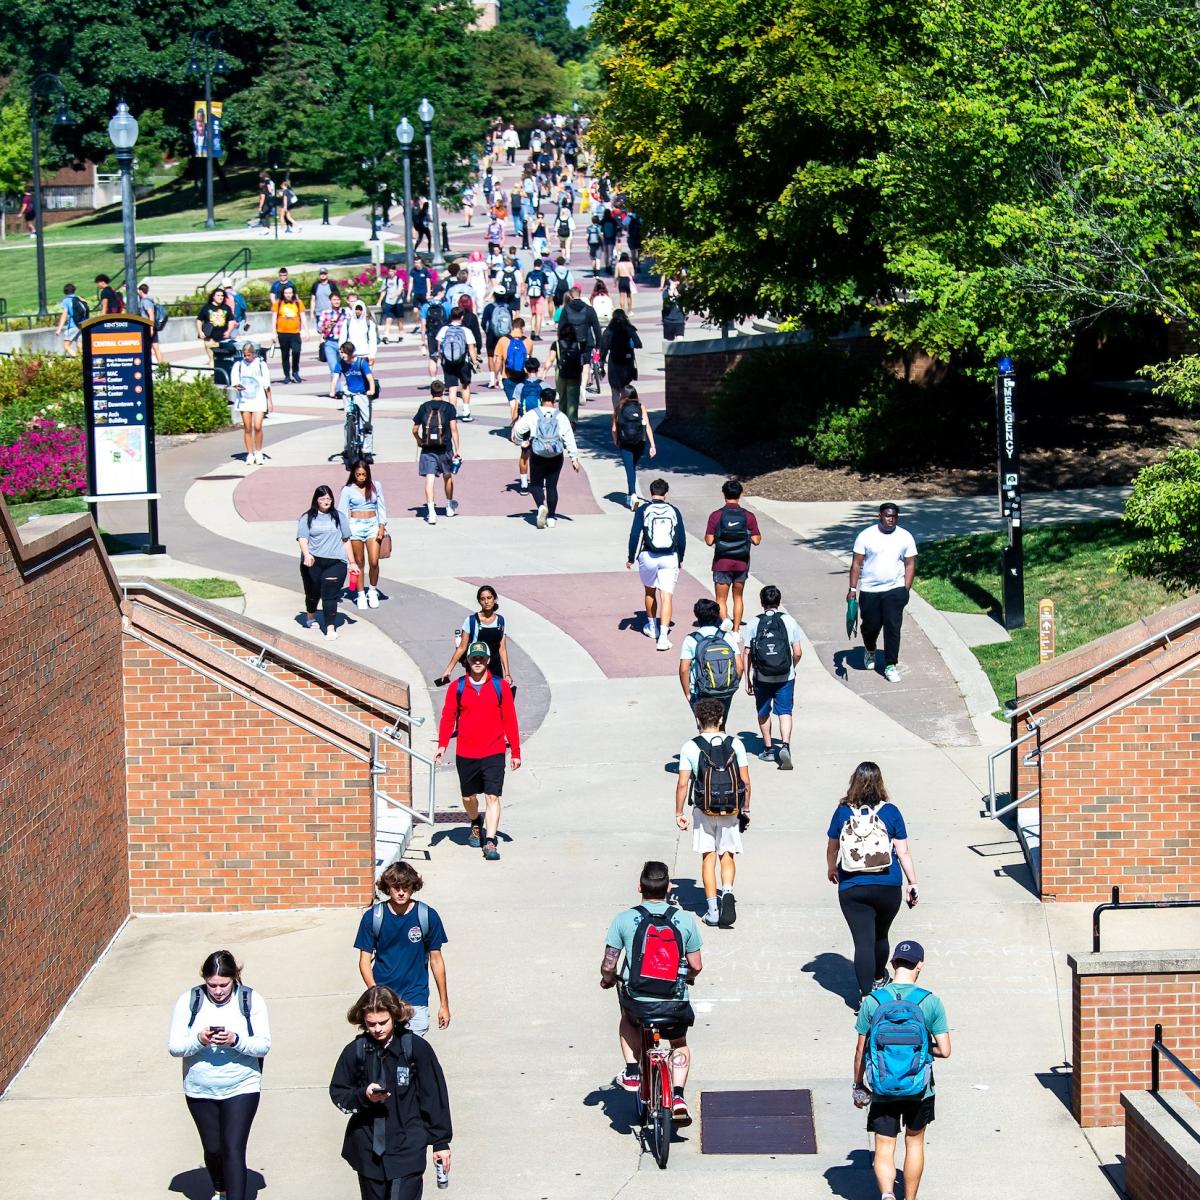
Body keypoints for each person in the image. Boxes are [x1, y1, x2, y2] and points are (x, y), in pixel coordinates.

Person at [599, 860, 703, 1125]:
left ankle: (633, 1071)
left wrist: (607, 980)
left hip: (640, 1001)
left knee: (626, 1016)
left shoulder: (623, 919)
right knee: (678, 1043)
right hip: (674, 1001)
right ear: (668, 889)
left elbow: (609, 964)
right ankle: (678, 1096)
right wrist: (687, 978)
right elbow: (696, 966)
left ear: (639, 888)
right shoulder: (683, 919)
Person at [329, 985, 452, 1200]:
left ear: (395, 1016)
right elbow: (339, 1092)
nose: (377, 1029)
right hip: (369, 1153)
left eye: (383, 1022)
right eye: (371, 1024)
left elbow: (434, 1096)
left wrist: (440, 1143)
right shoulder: (355, 1051)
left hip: (407, 1147)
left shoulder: (416, 1049)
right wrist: (363, 1096)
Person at [168, 950, 271, 1200]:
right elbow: (175, 1047)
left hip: (242, 1085)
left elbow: (263, 1044)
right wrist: (199, 1040)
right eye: (211, 984)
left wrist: (236, 1040)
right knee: (213, 1150)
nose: (218, 991)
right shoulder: (189, 1001)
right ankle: (221, 1189)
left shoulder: (250, 1000)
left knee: (233, 1149)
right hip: (200, 1088)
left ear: (235, 977)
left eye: (224, 984)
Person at [852, 941, 951, 1200]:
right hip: (920, 1086)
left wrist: (858, 1085)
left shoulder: (873, 1002)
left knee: (884, 1146)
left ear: (893, 964)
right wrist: (922, 1049)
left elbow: (861, 1050)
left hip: (883, 1086)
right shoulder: (930, 1002)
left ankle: (887, 1194)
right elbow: (945, 1050)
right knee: (914, 1142)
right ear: (920, 965)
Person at [826, 762, 919, 1001]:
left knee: (862, 941)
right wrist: (912, 882)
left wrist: (830, 868)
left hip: (852, 885)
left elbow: (832, 847)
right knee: (880, 935)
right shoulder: (891, 812)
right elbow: (903, 852)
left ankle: (866, 996)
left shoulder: (842, 812)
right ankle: (879, 977)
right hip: (887, 885)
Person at [434, 641, 521, 861]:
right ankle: (475, 821)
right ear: (468, 661)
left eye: (482, 658)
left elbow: (510, 720)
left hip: (494, 751)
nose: (478, 661)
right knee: (468, 796)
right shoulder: (458, 687)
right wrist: (442, 745)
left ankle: (490, 841)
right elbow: (447, 718)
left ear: (488, 660)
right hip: (466, 752)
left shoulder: (500, 686)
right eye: (474, 658)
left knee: (493, 796)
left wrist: (516, 752)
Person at [675, 697, 751, 927]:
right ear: (721, 720)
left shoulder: (690, 746)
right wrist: (744, 808)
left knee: (708, 858)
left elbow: (682, 784)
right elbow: (746, 782)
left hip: (703, 808)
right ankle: (726, 892)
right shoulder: (735, 744)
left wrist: (679, 812)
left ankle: (713, 910)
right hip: (730, 808)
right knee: (727, 855)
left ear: (698, 720)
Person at [355, 862, 450, 1037]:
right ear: (387, 887)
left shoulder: (427, 916)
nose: (400, 892)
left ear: (414, 887)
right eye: (395, 887)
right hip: (383, 999)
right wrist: (375, 992)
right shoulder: (373, 918)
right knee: (383, 1052)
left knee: (410, 1051)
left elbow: (436, 960)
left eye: (406, 887)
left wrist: (444, 1004)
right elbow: (364, 961)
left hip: (416, 998)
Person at [848, 503, 918, 684]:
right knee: (869, 626)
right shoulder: (866, 536)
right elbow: (856, 563)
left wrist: (905, 589)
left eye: (894, 516)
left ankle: (890, 665)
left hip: (894, 590)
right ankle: (870, 649)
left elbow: (910, 564)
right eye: (887, 516)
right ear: (880, 516)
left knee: (892, 627)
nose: (891, 519)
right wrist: (852, 589)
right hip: (870, 589)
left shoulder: (905, 537)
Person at [741, 585, 804, 770]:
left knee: (763, 711)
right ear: (779, 601)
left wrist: (747, 679)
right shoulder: (789, 621)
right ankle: (785, 746)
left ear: (762, 602)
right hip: (785, 675)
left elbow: (747, 653)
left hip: (762, 676)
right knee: (784, 712)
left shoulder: (754, 622)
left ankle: (768, 749)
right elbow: (798, 652)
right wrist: (791, 666)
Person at [510, 387, 580, 529]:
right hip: (556, 454)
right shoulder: (561, 416)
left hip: (538, 453)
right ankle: (552, 517)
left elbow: (518, 430)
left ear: (541, 399)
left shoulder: (532, 414)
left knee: (536, 484)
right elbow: (569, 438)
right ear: (554, 400)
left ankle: (541, 506)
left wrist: (520, 442)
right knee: (552, 486)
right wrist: (574, 458)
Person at [626, 476, 682, 651]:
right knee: (667, 597)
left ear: (651, 493)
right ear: (666, 493)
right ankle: (664, 637)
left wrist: (630, 557)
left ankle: (652, 627)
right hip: (669, 556)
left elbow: (635, 535)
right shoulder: (674, 510)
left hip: (648, 556)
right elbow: (681, 537)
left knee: (650, 591)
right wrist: (680, 558)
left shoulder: (643, 509)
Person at [705, 479, 762, 631]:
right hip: (741, 562)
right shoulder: (748, 516)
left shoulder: (716, 516)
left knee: (721, 599)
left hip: (722, 562)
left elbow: (709, 541)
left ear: (723, 494)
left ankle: (725, 622)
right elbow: (756, 540)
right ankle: (736, 630)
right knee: (738, 597)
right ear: (740, 494)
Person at [297, 485, 350, 640]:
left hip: (335, 561)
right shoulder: (307, 517)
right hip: (313, 561)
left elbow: (346, 540)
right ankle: (311, 614)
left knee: (329, 595)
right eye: (322, 499)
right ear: (316, 500)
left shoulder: (339, 517)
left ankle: (330, 628)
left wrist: (352, 562)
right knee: (313, 593)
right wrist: (307, 555)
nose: (326, 501)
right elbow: (302, 538)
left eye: (329, 498)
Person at [678, 597, 742, 726]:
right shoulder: (726, 637)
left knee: (704, 727)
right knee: (721, 725)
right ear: (717, 616)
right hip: (725, 689)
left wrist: (688, 693)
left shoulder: (691, 639)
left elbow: (684, 669)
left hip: (701, 690)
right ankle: (722, 744)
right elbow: (739, 667)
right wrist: (730, 684)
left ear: (697, 616)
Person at [436, 584, 513, 688]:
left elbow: (502, 649)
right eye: (482, 599)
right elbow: (462, 647)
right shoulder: (471, 621)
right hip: (476, 667)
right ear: (479, 601)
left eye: (489, 598)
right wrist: (448, 669)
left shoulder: (501, 621)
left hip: (495, 668)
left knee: (495, 700)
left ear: (495, 599)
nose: (486, 602)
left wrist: (507, 673)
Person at [337, 459, 388, 609]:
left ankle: (372, 590)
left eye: (364, 475)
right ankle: (360, 594)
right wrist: (343, 531)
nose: (361, 478)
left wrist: (382, 525)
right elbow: (342, 511)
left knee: (374, 561)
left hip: (372, 524)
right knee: (359, 562)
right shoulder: (347, 490)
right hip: (355, 527)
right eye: (358, 474)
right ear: (353, 474)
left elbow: (381, 506)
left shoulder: (375, 486)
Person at [412, 379, 460, 525]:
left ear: (431, 392)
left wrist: (419, 440)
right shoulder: (449, 408)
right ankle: (449, 505)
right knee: (448, 476)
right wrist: (457, 449)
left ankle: (431, 512)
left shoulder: (424, 407)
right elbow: (453, 429)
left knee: (430, 480)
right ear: (443, 391)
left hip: (428, 449)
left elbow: (414, 429)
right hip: (445, 448)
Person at [611, 385, 655, 508]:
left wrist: (616, 441)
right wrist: (653, 445)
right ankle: (630, 493)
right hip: (639, 442)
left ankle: (633, 495)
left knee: (629, 469)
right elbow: (647, 426)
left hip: (625, 443)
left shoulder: (618, 408)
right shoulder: (641, 407)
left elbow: (614, 429)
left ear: (623, 396)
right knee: (633, 467)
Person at [331, 341, 376, 459]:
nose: (341, 355)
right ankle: (347, 447)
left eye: (343, 352)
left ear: (350, 353)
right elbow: (335, 377)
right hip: (349, 393)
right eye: (341, 352)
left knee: (366, 422)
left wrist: (371, 390)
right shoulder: (340, 363)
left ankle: (367, 451)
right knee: (348, 420)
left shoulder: (361, 363)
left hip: (362, 393)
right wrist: (332, 391)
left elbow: (370, 378)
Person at [231, 342, 273, 465]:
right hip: (245, 399)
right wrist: (238, 387)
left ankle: (258, 451)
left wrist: (270, 402)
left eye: (248, 355)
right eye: (244, 355)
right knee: (248, 427)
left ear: (254, 354)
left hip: (258, 399)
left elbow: (267, 385)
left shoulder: (261, 364)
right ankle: (250, 453)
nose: (246, 358)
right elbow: (235, 382)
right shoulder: (238, 365)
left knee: (258, 426)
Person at [436, 307, 479, 423]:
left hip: (448, 362)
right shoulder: (466, 330)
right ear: (462, 317)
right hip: (463, 362)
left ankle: (452, 412)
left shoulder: (444, 329)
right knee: (465, 386)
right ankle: (466, 411)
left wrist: (442, 359)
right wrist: (474, 362)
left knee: (452, 389)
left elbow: (439, 347)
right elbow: (471, 348)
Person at [511, 359, 543, 493]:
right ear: (538, 369)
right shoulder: (545, 385)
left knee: (524, 454)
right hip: (541, 425)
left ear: (525, 369)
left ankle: (524, 484)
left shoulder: (520, 387)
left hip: (525, 425)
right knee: (542, 454)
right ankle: (541, 481)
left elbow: (515, 407)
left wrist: (514, 425)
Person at [601, 310, 642, 412]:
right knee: (624, 388)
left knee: (615, 390)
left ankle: (617, 413)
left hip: (614, 361)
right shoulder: (629, 329)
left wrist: (602, 360)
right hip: (627, 362)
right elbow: (638, 343)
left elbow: (604, 347)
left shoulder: (609, 330)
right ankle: (625, 411)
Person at [547, 322, 585, 427]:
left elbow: (550, 359)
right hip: (575, 374)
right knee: (573, 398)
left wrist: (544, 371)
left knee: (562, 397)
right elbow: (583, 360)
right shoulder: (578, 344)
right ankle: (572, 421)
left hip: (561, 374)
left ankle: (562, 418)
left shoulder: (557, 344)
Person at [273, 282, 306, 384]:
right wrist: (273, 332)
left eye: (290, 293)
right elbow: (274, 317)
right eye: (286, 293)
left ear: (293, 293)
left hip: (295, 332)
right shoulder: (278, 303)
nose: (288, 295)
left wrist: (306, 330)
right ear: (283, 293)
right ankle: (287, 375)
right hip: (282, 333)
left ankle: (295, 372)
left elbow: (303, 316)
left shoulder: (298, 302)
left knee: (296, 351)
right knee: (285, 354)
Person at [319, 293, 350, 386]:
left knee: (347, 367)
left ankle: (352, 388)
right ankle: (338, 390)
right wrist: (326, 326)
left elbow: (351, 326)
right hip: (330, 342)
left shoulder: (346, 312)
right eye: (334, 300)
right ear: (330, 301)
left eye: (338, 299)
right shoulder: (325, 313)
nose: (336, 302)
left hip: (343, 343)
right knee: (333, 368)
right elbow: (319, 328)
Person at [137, 283, 165, 364]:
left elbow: (151, 314)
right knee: (155, 347)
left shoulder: (146, 301)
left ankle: (160, 364)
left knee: (152, 347)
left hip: (149, 327)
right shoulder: (148, 300)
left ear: (141, 291)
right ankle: (161, 364)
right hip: (150, 326)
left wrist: (151, 328)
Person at [377, 265, 406, 344]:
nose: (390, 273)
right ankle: (386, 336)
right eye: (389, 271)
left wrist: (395, 296)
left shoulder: (399, 280)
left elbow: (400, 290)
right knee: (388, 319)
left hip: (398, 302)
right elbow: (383, 291)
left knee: (399, 320)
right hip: (389, 302)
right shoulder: (386, 280)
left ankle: (401, 335)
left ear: (395, 272)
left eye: (392, 271)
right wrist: (379, 301)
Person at [347, 300, 381, 364]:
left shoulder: (369, 323)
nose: (358, 311)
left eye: (360, 309)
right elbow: (343, 338)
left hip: (365, 354)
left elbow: (373, 339)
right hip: (352, 355)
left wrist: (372, 355)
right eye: (356, 309)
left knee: (367, 374)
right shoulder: (347, 322)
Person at [56, 283, 86, 355]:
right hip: (81, 324)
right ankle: (83, 361)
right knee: (79, 345)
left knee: (66, 345)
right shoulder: (78, 299)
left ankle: (77, 359)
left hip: (72, 325)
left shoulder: (66, 301)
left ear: (65, 292)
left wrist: (59, 329)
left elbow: (64, 315)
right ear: (74, 290)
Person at [524, 257, 550, 339]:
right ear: (541, 265)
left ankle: (532, 330)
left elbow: (526, 286)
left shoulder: (529, 274)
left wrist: (526, 298)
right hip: (540, 296)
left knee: (533, 314)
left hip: (531, 296)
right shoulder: (542, 274)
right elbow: (546, 287)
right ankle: (537, 334)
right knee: (539, 315)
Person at [662, 276, 686, 341]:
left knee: (680, 341)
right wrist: (671, 294)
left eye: (677, 280)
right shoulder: (666, 293)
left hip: (679, 320)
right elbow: (667, 306)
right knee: (670, 342)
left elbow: (684, 304)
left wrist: (677, 294)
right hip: (668, 321)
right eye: (674, 281)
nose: (676, 282)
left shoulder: (681, 291)